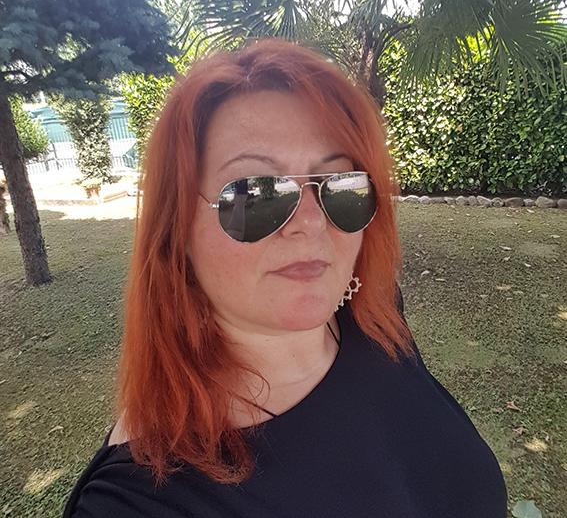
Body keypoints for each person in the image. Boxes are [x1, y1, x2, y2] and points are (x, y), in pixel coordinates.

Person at [63, 38, 507, 517]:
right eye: (255, 194)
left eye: (339, 185)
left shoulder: (376, 316)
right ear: (178, 229)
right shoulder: (136, 500)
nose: (311, 223)